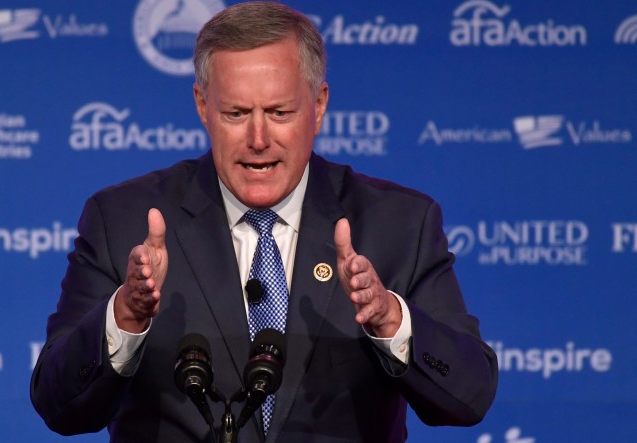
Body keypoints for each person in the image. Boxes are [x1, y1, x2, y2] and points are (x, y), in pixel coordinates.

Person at [30, 2, 498, 442]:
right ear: (202, 105)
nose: (258, 138)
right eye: (236, 113)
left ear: (318, 106)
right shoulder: (122, 220)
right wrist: (124, 318)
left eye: (279, 112)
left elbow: (468, 397)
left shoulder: (398, 223)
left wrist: (390, 321)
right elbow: (59, 405)